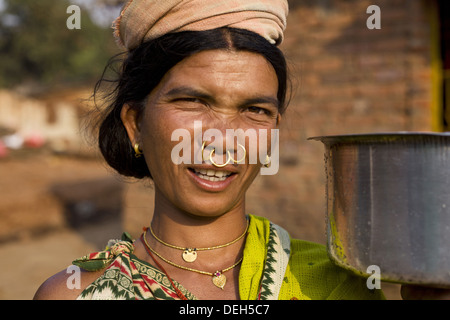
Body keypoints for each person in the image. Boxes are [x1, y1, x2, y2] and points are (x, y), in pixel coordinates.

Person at [34, 0, 449, 300]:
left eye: (254, 109)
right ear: (135, 122)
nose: (223, 138)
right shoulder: (75, 294)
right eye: (193, 101)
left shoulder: (333, 285)